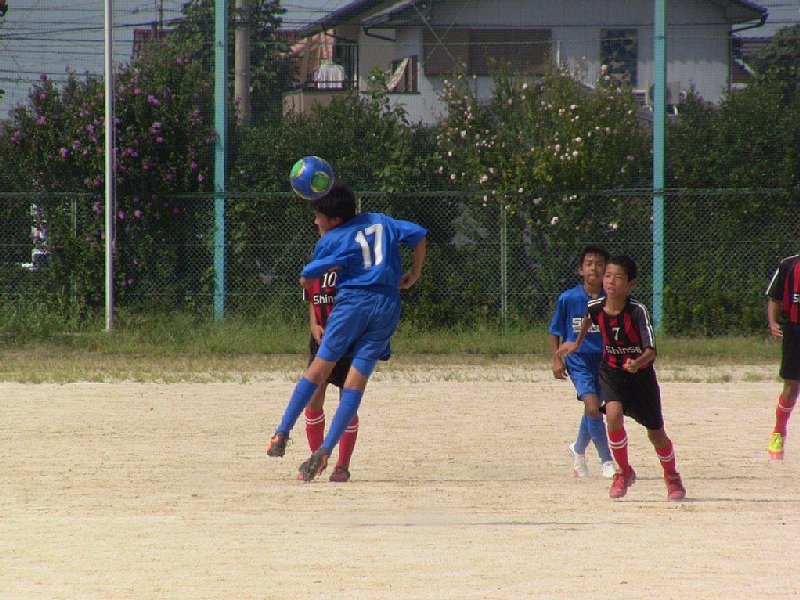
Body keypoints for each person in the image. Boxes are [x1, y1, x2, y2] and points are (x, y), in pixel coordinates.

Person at [266, 180, 427, 482]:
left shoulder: (333, 238)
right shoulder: (382, 221)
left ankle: (282, 431)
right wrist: (414, 273)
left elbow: (307, 277)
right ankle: (326, 450)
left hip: (353, 304)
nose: (316, 222)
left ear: (335, 220)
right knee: (355, 384)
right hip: (387, 306)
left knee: (318, 370)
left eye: (318, 217)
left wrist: (308, 277)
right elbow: (419, 234)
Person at [557, 255, 686, 501]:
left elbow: (652, 351)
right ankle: (623, 472)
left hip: (640, 377)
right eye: (607, 276)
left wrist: (637, 363)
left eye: (618, 277)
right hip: (612, 372)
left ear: (631, 284)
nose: (610, 281)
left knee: (656, 433)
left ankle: (672, 476)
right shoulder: (596, 307)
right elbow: (588, 320)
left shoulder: (637, 312)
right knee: (613, 415)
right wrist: (576, 343)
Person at [548, 245, 616, 479]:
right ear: (580, 270)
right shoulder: (568, 298)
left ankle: (577, 450)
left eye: (599, 264)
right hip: (579, 360)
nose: (594, 268)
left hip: (606, 360)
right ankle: (607, 460)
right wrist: (556, 359)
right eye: (589, 264)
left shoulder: (612, 299)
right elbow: (555, 330)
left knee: (593, 408)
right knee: (593, 406)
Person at [300, 267, 360, 482]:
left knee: (347, 401)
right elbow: (312, 298)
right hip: (322, 340)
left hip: (349, 339)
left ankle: (342, 465)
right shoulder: (314, 261)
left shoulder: (353, 260)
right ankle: (317, 459)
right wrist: (314, 324)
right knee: (313, 398)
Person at [765, 252, 800, 459]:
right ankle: (778, 432)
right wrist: (773, 323)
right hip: (795, 330)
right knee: (791, 386)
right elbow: (775, 297)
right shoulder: (788, 265)